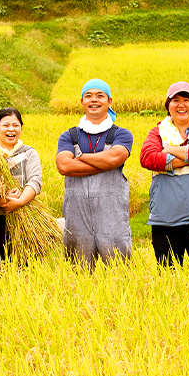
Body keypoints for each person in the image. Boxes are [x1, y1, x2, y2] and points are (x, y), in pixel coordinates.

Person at [139, 81, 189, 266]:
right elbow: (147, 158)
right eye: (175, 100)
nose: (181, 104)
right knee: (168, 278)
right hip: (165, 218)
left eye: (186, 99)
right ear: (168, 106)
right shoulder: (157, 132)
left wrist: (169, 150)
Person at [56, 79, 133, 269]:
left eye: (100, 95)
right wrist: (103, 162)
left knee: (118, 272)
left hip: (112, 216)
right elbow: (64, 166)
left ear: (109, 101)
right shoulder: (69, 135)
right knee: (77, 273)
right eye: (88, 96)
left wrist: (79, 157)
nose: (94, 100)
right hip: (77, 217)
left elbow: (114, 159)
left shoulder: (121, 134)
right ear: (82, 101)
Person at [0, 108, 43, 269]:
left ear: (21, 128)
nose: (11, 129)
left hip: (26, 220)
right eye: (6, 125)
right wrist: (4, 201)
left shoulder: (29, 153)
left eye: (16, 125)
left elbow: (35, 182)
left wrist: (20, 201)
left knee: (25, 270)